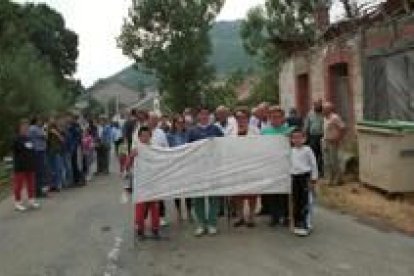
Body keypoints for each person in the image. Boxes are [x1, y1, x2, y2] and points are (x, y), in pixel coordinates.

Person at [188, 107, 224, 237]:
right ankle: (201, 224)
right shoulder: (192, 131)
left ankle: (212, 224)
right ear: (197, 116)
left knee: (213, 197)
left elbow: (224, 146)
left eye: (206, 114)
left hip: (213, 168)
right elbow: (187, 150)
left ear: (209, 116)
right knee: (198, 197)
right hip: (197, 169)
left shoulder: (216, 129)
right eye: (201, 114)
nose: (204, 116)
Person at [261, 106, 294, 226]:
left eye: (278, 117)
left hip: (285, 166)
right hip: (271, 166)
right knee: (272, 192)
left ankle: (286, 216)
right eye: (273, 117)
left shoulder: (289, 131)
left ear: (283, 118)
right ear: (269, 118)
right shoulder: (264, 131)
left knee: (285, 192)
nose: (275, 119)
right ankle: (274, 216)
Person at [232, 107, 260, 228]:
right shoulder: (230, 131)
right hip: (236, 165)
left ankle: (251, 217)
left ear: (248, 118)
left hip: (251, 166)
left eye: (243, 117)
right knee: (238, 193)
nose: (240, 120)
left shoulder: (255, 131)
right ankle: (240, 216)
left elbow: (261, 146)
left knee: (252, 193)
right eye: (238, 117)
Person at [131, 126, 161, 240]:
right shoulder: (136, 149)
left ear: (150, 136)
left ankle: (155, 229)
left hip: (153, 183)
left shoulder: (156, 149)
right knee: (140, 209)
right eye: (143, 136)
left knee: (155, 209)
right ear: (139, 137)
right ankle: (140, 230)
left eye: (147, 135)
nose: (145, 138)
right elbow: (127, 165)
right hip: (141, 185)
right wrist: (131, 156)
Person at [290, 129, 318, 236]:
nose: (297, 140)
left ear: (304, 139)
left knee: (306, 201)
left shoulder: (307, 150)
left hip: (305, 177)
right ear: (292, 140)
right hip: (294, 177)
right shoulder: (291, 151)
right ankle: (297, 223)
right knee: (296, 201)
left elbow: (313, 164)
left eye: (299, 137)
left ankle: (307, 223)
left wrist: (313, 178)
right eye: (294, 138)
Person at [167, 115, 192, 222]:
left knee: (188, 191)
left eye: (182, 122)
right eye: (178, 122)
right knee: (176, 190)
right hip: (175, 166)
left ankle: (189, 212)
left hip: (187, 165)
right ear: (174, 123)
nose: (180, 124)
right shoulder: (169, 135)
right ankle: (179, 212)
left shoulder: (188, 133)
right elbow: (166, 149)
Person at [12, 119, 40, 211]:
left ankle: (31, 200)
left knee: (31, 184)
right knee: (18, 185)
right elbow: (20, 151)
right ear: (19, 127)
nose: (25, 128)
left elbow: (32, 151)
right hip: (20, 166)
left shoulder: (28, 139)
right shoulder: (16, 139)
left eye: (27, 126)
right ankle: (17, 202)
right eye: (23, 126)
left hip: (30, 165)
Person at [322, 102, 346, 186]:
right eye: (323, 108)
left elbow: (343, 127)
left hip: (333, 142)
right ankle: (329, 179)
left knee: (334, 161)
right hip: (325, 141)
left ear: (330, 109)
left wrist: (338, 138)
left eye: (325, 109)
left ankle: (338, 179)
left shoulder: (335, 117)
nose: (323, 110)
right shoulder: (325, 118)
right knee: (327, 161)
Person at [28, 116, 48, 198]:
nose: (41, 122)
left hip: (40, 151)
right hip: (37, 151)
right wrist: (44, 129)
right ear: (36, 121)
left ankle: (39, 190)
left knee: (40, 171)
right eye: (40, 120)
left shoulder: (36, 128)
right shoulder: (34, 128)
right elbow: (45, 136)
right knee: (39, 171)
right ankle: (38, 191)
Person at [304, 99, 324, 177]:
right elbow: (307, 125)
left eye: (318, 104)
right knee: (313, 154)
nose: (317, 106)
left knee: (322, 154)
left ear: (321, 105)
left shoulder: (323, 113)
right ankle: (313, 171)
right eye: (315, 104)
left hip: (322, 136)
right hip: (313, 137)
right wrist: (305, 135)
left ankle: (321, 171)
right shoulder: (310, 114)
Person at [47, 120, 64, 192]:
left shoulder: (59, 131)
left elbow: (62, 140)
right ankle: (52, 185)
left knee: (57, 169)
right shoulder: (48, 132)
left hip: (57, 152)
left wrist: (56, 133)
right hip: (49, 152)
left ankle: (58, 185)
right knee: (51, 169)